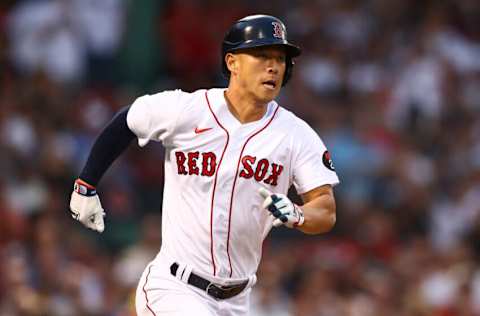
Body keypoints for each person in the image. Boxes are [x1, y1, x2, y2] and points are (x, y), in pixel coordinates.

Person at [69, 14, 339, 316]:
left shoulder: (296, 135)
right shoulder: (189, 110)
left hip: (237, 300)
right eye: (262, 55)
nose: (273, 66)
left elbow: (325, 209)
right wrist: (86, 185)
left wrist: (299, 214)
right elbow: (127, 121)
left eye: (280, 58)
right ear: (232, 62)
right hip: (173, 286)